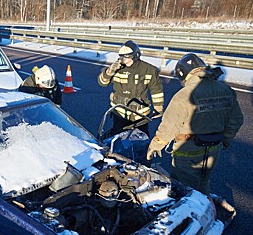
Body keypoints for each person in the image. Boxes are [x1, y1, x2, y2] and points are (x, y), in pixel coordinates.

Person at [146, 53, 244, 195]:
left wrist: (155, 145)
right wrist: (225, 140)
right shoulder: (225, 89)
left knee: (183, 189)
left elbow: (169, 127)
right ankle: (207, 207)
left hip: (188, 151)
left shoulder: (184, 94)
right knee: (203, 182)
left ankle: (191, 214)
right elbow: (236, 120)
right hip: (214, 149)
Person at [97, 40, 164, 136]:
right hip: (120, 113)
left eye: (126, 56)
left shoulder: (149, 70)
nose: (122, 59)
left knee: (140, 140)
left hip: (140, 115)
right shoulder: (117, 68)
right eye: (121, 56)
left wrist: (158, 109)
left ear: (135, 55)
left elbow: (156, 91)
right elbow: (102, 83)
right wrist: (109, 72)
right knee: (118, 140)